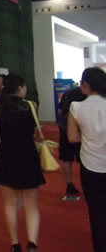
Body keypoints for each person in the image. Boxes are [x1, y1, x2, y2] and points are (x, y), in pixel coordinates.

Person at [0, 74, 44, 252]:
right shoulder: (31, 106)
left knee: (10, 204)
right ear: (20, 88)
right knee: (31, 205)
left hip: (6, 156)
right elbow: (35, 131)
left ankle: (15, 244)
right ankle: (32, 243)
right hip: (28, 155)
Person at [68, 67, 106, 252]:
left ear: (86, 85)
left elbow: (72, 138)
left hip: (90, 165)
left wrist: (88, 136)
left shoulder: (76, 107)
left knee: (97, 213)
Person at [57, 85, 85, 201]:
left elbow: (60, 111)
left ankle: (69, 184)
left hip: (65, 128)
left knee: (66, 159)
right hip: (81, 130)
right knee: (83, 160)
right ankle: (85, 185)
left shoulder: (67, 94)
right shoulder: (87, 95)